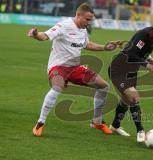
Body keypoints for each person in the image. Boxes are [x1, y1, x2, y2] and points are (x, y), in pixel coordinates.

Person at [27, 3, 121, 137]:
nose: (89, 23)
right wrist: (36, 34)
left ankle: (97, 122)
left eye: (91, 20)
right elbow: (45, 36)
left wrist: (105, 47)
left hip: (75, 68)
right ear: (78, 15)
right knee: (57, 87)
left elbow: (87, 44)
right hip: (58, 66)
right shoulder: (63, 26)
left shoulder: (83, 30)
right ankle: (40, 123)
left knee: (103, 86)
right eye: (87, 20)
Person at [108, 16, 153, 142]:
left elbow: (139, 51)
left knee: (126, 100)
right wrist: (146, 64)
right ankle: (141, 131)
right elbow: (130, 53)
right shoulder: (145, 34)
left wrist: (148, 57)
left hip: (131, 70)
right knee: (133, 96)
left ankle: (115, 126)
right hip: (119, 68)